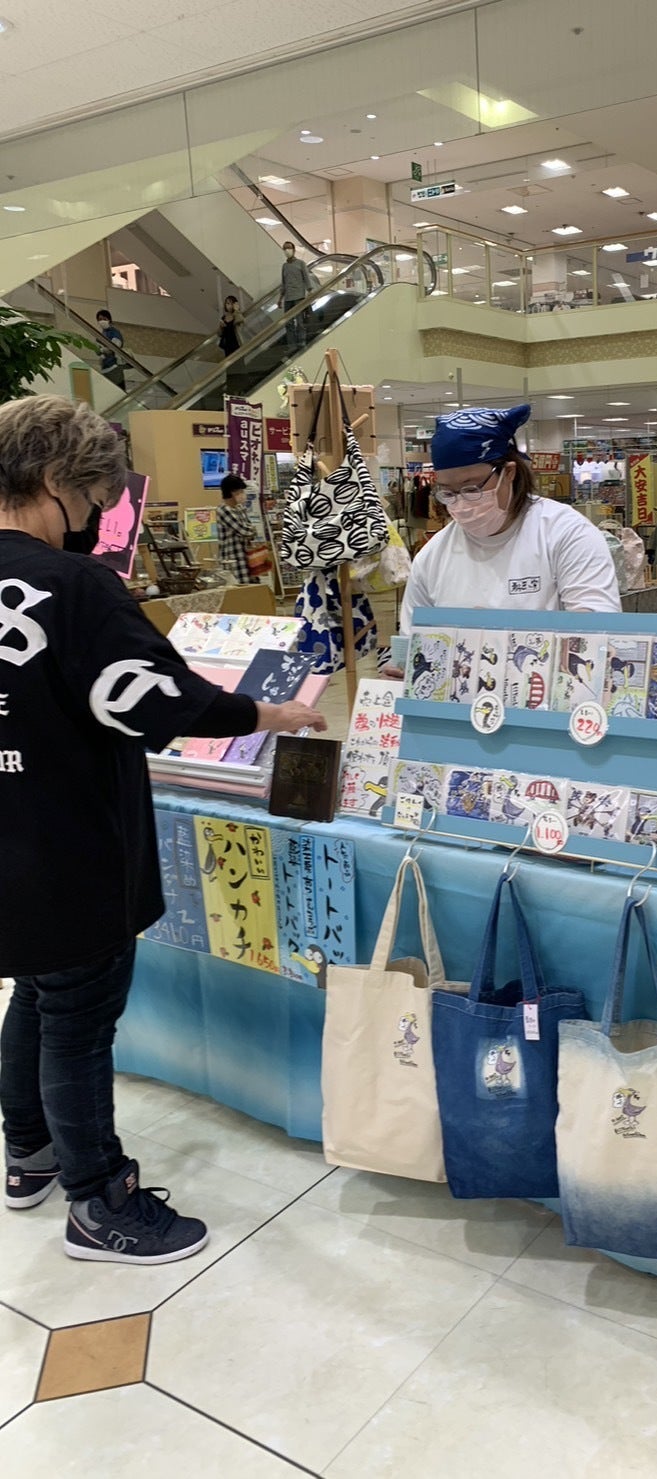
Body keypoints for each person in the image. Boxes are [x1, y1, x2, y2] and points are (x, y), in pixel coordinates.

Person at [0, 395, 325, 1264]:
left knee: (37, 988)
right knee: (77, 1016)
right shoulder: (73, 587)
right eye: (92, 500)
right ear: (55, 481)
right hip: (71, 844)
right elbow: (155, 700)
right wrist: (271, 711)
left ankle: (27, 1152)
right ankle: (98, 1201)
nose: (93, 521)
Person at [399, 404, 621, 634]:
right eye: (448, 492)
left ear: (509, 473)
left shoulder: (565, 533)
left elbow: (597, 626)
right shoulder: (433, 555)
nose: (461, 503)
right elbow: (412, 639)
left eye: (472, 488)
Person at [217, 472, 259, 584]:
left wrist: (251, 530)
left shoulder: (239, 508)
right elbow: (244, 531)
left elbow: (250, 529)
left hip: (247, 557)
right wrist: (251, 530)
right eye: (240, 491)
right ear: (232, 492)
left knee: (253, 586)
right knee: (240, 587)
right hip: (233, 558)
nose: (242, 494)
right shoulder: (224, 510)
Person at [280, 242, 314, 353]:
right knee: (288, 323)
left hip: (299, 297)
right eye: (285, 248)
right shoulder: (284, 266)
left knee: (300, 321)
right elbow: (283, 283)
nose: (287, 250)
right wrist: (280, 298)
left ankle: (302, 341)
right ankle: (292, 345)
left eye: (289, 248)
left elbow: (306, 278)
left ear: (294, 250)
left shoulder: (301, 263)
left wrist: (310, 291)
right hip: (288, 298)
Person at [95, 309, 125, 391]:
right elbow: (96, 350)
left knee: (118, 390)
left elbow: (115, 347)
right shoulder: (101, 334)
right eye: (100, 319)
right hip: (105, 367)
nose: (102, 321)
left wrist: (102, 350)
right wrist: (101, 352)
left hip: (114, 366)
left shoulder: (114, 332)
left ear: (109, 320)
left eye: (104, 319)